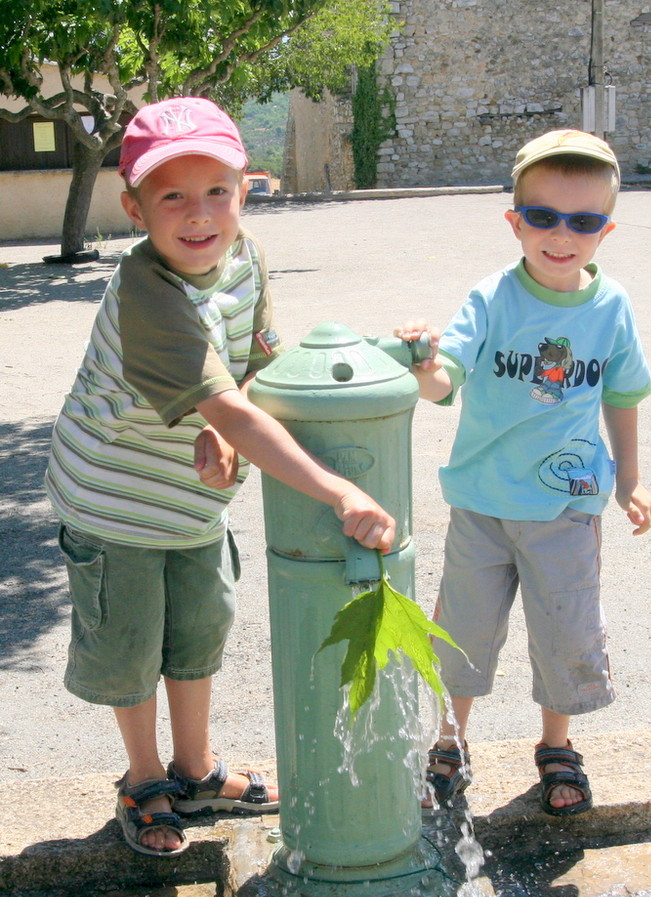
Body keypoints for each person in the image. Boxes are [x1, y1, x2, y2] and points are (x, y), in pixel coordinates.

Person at [45, 97, 395, 856]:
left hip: (192, 503)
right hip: (115, 499)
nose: (199, 214)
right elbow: (234, 410)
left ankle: (196, 769)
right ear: (135, 208)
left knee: (200, 628)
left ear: (245, 190)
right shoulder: (147, 290)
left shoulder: (246, 260)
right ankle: (144, 780)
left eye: (217, 191)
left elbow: (255, 368)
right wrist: (337, 489)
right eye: (172, 195)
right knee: (132, 643)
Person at [398, 129, 651, 816]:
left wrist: (630, 478)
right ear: (516, 222)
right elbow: (444, 380)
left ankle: (557, 745)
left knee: (564, 628)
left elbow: (624, 395)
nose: (560, 234)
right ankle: (449, 742)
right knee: (463, 632)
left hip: (568, 508)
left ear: (605, 229)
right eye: (542, 217)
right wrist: (425, 364)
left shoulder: (611, 307)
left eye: (582, 221)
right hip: (482, 503)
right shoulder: (493, 299)